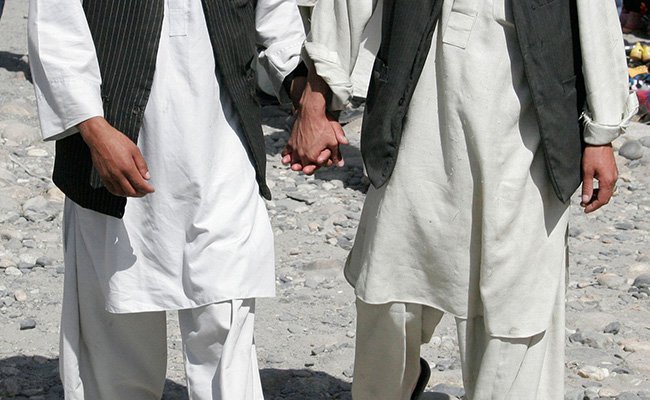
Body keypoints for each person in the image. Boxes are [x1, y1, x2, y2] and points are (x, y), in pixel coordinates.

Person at [284, 0, 637, 399]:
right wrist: (316, 100)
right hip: (415, 118)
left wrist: (602, 132)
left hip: (527, 129)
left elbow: (596, 13)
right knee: (389, 285)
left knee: (516, 304)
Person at [28, 0, 305, 398]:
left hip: (222, 155)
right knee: (116, 350)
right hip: (113, 158)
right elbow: (56, 25)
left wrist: (306, 92)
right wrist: (93, 129)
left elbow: (277, 18)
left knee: (226, 334)